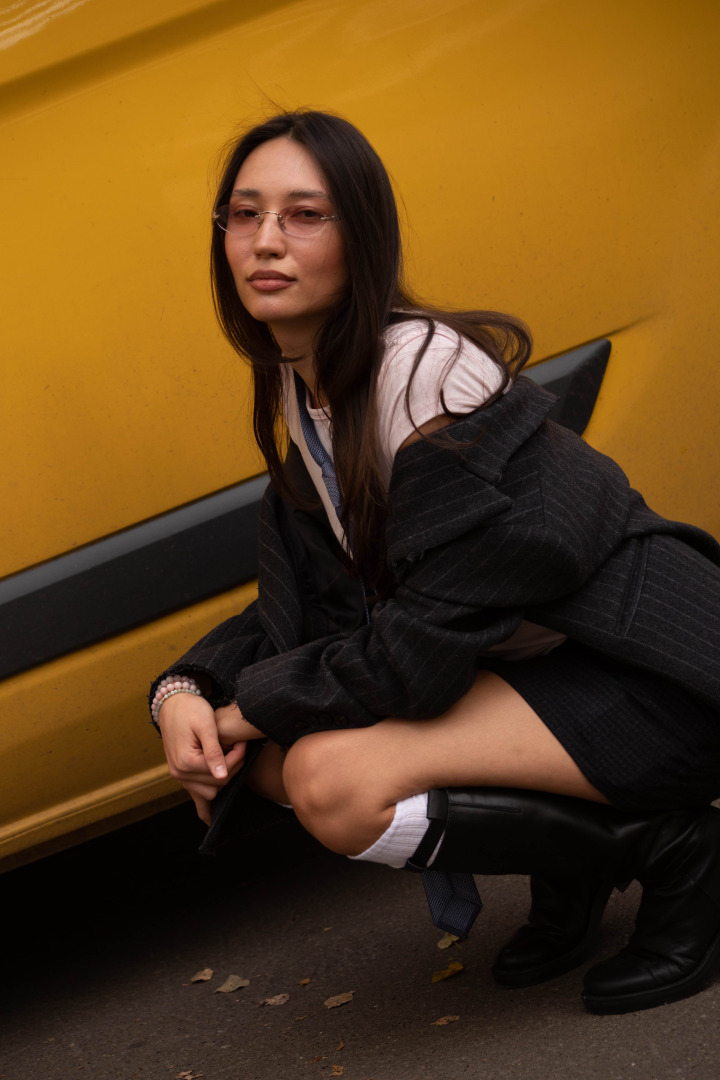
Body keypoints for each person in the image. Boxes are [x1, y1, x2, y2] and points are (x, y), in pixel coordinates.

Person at [149, 109, 720, 1016]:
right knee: (255, 755)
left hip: (654, 681)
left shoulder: (420, 377)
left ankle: (676, 850)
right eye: (244, 214)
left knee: (329, 781)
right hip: (539, 678)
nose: (266, 240)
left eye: (305, 214)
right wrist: (186, 690)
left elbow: (415, 652)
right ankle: (579, 861)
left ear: (363, 237)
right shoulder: (312, 383)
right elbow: (310, 597)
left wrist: (246, 705)